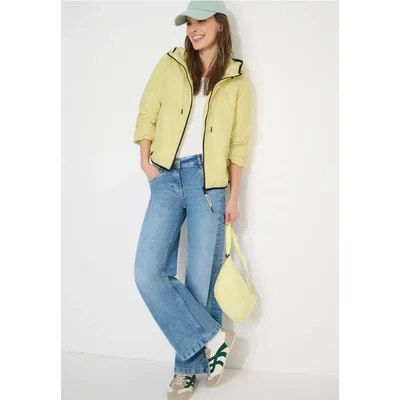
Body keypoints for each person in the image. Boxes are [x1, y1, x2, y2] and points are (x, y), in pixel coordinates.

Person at [132, 1, 251, 398]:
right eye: (188, 23)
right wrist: (146, 162)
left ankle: (185, 371)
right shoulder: (170, 64)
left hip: (209, 186)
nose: (193, 29)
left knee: (200, 280)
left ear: (220, 24)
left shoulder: (236, 78)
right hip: (166, 177)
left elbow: (238, 144)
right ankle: (215, 337)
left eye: (201, 21)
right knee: (147, 272)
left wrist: (234, 196)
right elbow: (147, 112)